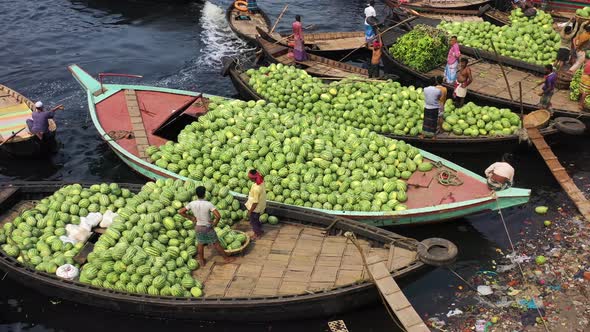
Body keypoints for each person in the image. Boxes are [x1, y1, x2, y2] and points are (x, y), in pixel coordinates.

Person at [178, 186, 234, 266]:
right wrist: (215, 224)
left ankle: (202, 261)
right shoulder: (208, 204)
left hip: (198, 227)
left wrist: (191, 218)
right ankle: (226, 258)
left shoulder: (192, 204)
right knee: (216, 243)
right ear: (204, 194)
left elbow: (181, 212)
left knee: (200, 244)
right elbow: (218, 216)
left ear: (196, 194)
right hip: (207, 227)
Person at [245, 169, 267, 240]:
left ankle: (257, 234)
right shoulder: (261, 181)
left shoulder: (256, 189)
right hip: (261, 205)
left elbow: (255, 202)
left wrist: (250, 211)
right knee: (257, 220)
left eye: (249, 177)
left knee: (253, 222)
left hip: (255, 208)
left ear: (252, 178)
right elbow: (261, 174)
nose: (248, 178)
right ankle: (260, 230)